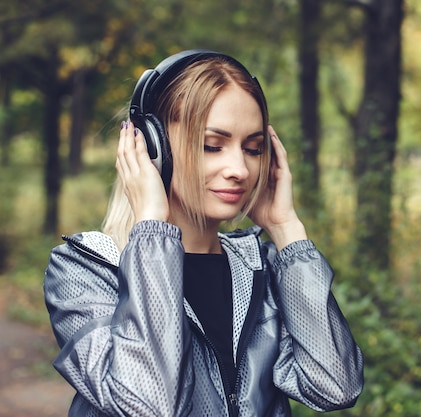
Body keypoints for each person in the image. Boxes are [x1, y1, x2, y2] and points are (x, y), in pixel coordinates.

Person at [44, 49, 364, 417]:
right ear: (153, 148)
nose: (240, 169)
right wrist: (151, 225)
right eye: (212, 145)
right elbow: (149, 404)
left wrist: (286, 228)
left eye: (253, 148)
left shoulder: (266, 269)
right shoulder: (85, 270)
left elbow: (335, 387)